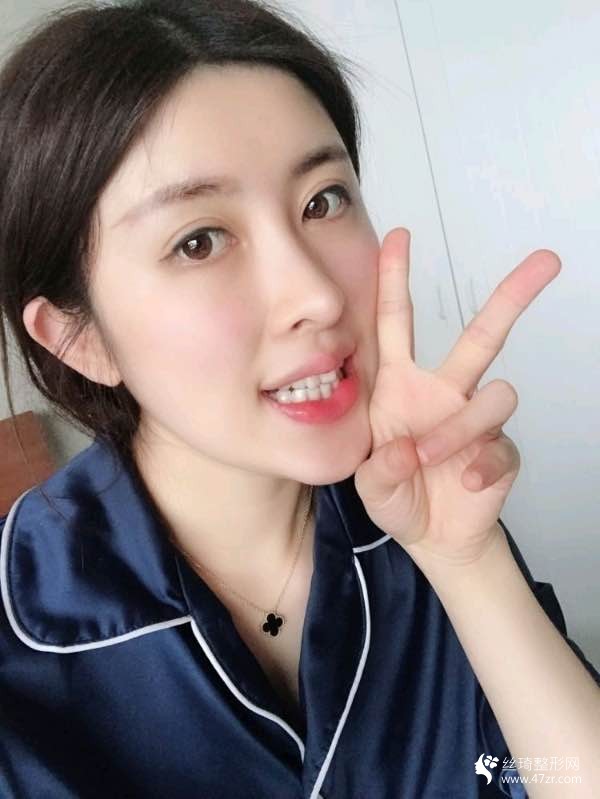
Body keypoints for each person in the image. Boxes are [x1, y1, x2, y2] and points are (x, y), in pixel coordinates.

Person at [0, 1, 598, 797]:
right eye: (199, 241)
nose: (316, 294)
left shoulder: (418, 506)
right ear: (79, 339)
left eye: (323, 200)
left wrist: (469, 562)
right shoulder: (22, 647)